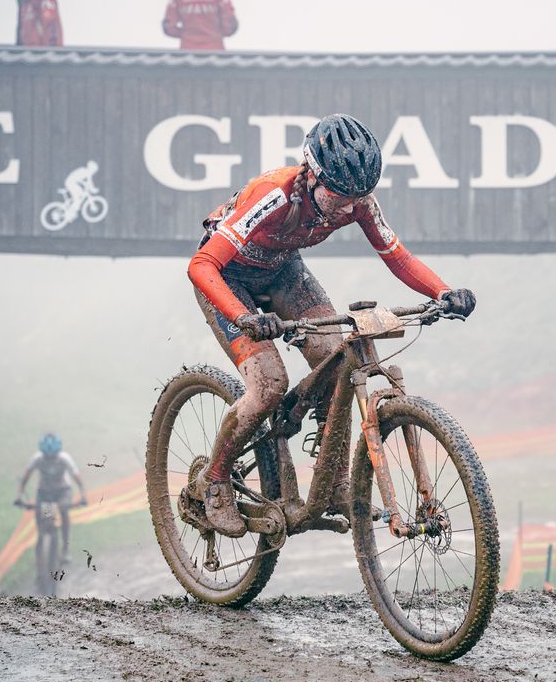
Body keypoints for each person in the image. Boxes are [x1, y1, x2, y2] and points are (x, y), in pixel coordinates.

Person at [186, 114, 476, 537]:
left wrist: (442, 292)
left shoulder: (359, 202)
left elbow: (398, 257)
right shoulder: (275, 196)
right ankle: (213, 480)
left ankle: (336, 479)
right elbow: (202, 265)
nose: (347, 208)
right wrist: (244, 317)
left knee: (337, 360)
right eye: (338, 197)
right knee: (268, 384)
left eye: (357, 198)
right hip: (228, 281)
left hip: (283, 273)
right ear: (312, 175)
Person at [15, 433, 87, 564]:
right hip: (45, 493)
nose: (50, 460)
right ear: (42, 453)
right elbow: (26, 476)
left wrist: (83, 494)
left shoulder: (65, 459)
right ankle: (42, 552)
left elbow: (76, 476)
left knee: (64, 511)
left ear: (58, 453)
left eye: (53, 457)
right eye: (47, 458)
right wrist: (19, 495)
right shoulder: (37, 459)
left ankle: (65, 549)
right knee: (44, 520)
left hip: (62, 491)